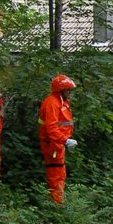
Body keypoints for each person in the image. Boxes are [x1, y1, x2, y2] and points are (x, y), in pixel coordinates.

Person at [39, 74, 77, 204]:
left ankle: (58, 202)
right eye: (68, 90)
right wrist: (65, 140)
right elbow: (51, 128)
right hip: (53, 145)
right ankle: (57, 206)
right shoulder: (52, 103)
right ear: (60, 90)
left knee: (60, 174)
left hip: (58, 144)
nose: (70, 92)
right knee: (56, 175)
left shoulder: (62, 102)